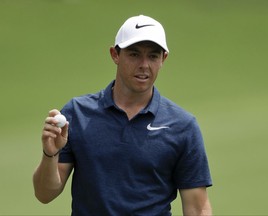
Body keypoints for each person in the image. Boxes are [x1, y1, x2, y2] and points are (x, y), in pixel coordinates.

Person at [33, 14, 213, 216]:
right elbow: (44, 194)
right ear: (115, 55)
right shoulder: (77, 113)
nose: (144, 64)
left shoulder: (182, 126)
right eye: (134, 54)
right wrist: (50, 154)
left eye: (153, 56)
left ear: (163, 59)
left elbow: (197, 208)